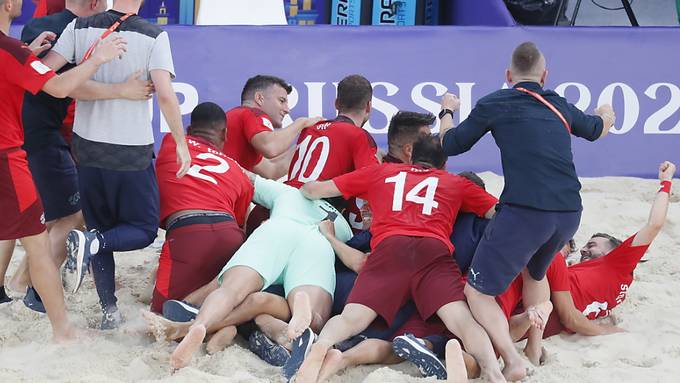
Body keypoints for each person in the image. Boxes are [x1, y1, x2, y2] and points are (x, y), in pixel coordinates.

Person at [439, 41, 615, 380]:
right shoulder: (559, 104)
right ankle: (533, 348)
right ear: (544, 76)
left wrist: (446, 111)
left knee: (477, 292)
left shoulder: (495, 102)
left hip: (526, 212)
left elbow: (450, 144)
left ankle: (513, 360)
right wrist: (607, 110)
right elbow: (597, 129)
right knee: (534, 273)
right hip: (569, 212)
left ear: (508, 76)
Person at [295, 135, 505, 383]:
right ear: (445, 164)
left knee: (353, 318)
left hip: (389, 247)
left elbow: (314, 190)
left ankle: (322, 346)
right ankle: (493, 372)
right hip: (433, 251)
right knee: (462, 320)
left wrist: (304, 189)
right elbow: (500, 213)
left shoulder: (381, 172)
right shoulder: (456, 182)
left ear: (410, 156)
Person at [42, 0, 192, 329]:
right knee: (142, 230)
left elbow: (48, 74)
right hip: (130, 150)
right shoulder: (154, 34)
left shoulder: (79, 27)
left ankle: (109, 310)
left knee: (100, 226)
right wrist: (181, 142)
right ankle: (93, 247)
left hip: (86, 146)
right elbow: (165, 95)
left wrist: (28, 52)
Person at [3, 0, 152, 313]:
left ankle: (12, 287)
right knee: (60, 220)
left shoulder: (29, 37)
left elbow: (29, 73)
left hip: (31, 136)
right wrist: (117, 83)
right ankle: (31, 290)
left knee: (20, 219)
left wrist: (28, 53)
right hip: (35, 138)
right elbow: (62, 88)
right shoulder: (71, 32)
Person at [166, 171, 353, 372]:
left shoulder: (291, 193)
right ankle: (300, 304)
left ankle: (201, 325)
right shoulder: (342, 226)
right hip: (318, 244)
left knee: (230, 291)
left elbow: (245, 178)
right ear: (342, 207)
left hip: (277, 230)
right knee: (316, 318)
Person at [500, 161, 675, 361]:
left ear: (614, 251)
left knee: (496, 329)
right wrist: (604, 330)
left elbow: (654, 224)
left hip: (545, 316)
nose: (584, 249)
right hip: (547, 302)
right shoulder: (587, 275)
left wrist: (666, 181)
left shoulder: (618, 264)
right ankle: (532, 349)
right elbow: (572, 318)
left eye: (592, 245)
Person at [150, 102, 255, 313]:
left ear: (189, 131)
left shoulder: (171, 142)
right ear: (225, 134)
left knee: (160, 314)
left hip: (188, 234)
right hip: (229, 236)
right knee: (220, 299)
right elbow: (242, 224)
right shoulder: (237, 170)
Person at [247, 74, 379, 235]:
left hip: (269, 206)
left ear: (337, 104)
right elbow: (372, 182)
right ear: (369, 106)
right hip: (310, 215)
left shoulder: (310, 128)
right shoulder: (359, 135)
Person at [224, 75, 318, 179]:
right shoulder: (252, 113)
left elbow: (271, 171)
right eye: (282, 101)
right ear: (259, 98)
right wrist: (301, 123)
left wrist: (306, 144)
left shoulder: (237, 119)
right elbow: (270, 147)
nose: (287, 110)